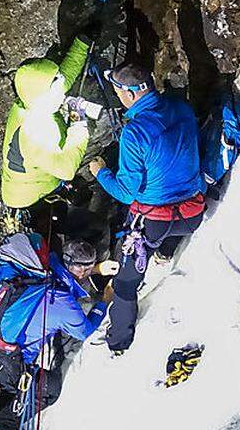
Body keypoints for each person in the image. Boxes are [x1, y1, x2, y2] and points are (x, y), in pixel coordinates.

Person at [87, 63, 206, 353]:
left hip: (153, 221)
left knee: (126, 285)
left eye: (116, 89)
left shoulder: (135, 134)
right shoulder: (181, 107)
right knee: (164, 234)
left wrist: (100, 172)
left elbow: (127, 193)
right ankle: (164, 253)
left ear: (128, 94)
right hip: (192, 213)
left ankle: (118, 342)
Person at [0, 234, 109, 430]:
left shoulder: (37, 271)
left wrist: (96, 269)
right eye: (85, 269)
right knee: (48, 388)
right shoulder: (60, 302)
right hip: (6, 360)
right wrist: (104, 301)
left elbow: (65, 272)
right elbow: (85, 331)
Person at [0, 26, 100, 231]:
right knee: (62, 234)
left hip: (26, 189)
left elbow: (62, 78)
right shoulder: (36, 130)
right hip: (32, 200)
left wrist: (82, 44)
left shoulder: (29, 101)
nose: (61, 91)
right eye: (56, 87)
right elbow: (65, 169)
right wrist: (78, 122)